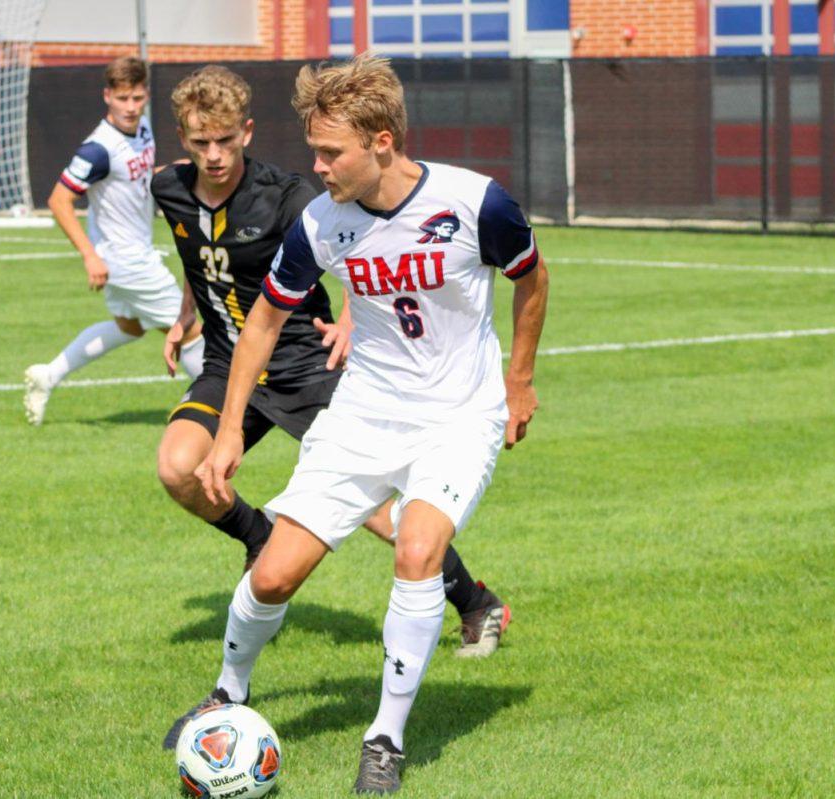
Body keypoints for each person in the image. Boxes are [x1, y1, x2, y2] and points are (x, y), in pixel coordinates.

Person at [168, 55, 549, 795]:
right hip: (363, 413)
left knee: (416, 547)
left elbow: (531, 280)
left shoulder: (477, 203)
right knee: (273, 570)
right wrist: (229, 428)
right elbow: (264, 322)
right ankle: (228, 693)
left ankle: (385, 737)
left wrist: (520, 378)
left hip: (458, 415)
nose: (318, 166)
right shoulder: (321, 221)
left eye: (330, 152)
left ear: (381, 141)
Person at [23, 56, 204, 425]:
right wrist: (90, 256)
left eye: (137, 98)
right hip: (125, 260)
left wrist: (173, 172)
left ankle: (48, 374)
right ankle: (222, 408)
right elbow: (59, 200)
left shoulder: (143, 129)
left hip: (134, 251)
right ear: (108, 96)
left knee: (130, 327)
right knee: (188, 329)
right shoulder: (98, 149)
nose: (130, 107)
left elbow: (136, 179)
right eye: (122, 98)